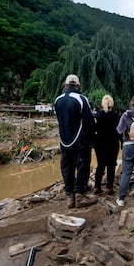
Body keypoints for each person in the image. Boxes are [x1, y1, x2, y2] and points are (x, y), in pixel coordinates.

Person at [54, 74, 98, 208]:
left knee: (67, 166)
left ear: (65, 85)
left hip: (64, 139)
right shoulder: (81, 98)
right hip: (80, 140)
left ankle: (69, 196)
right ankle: (80, 195)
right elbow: (90, 121)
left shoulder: (57, 100)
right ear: (78, 86)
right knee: (82, 165)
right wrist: (92, 137)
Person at [94, 94, 121, 195]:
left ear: (102, 104)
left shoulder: (97, 116)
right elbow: (119, 131)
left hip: (99, 145)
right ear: (112, 104)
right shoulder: (116, 117)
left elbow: (93, 130)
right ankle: (109, 188)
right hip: (113, 144)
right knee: (111, 165)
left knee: (100, 165)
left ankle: (97, 187)